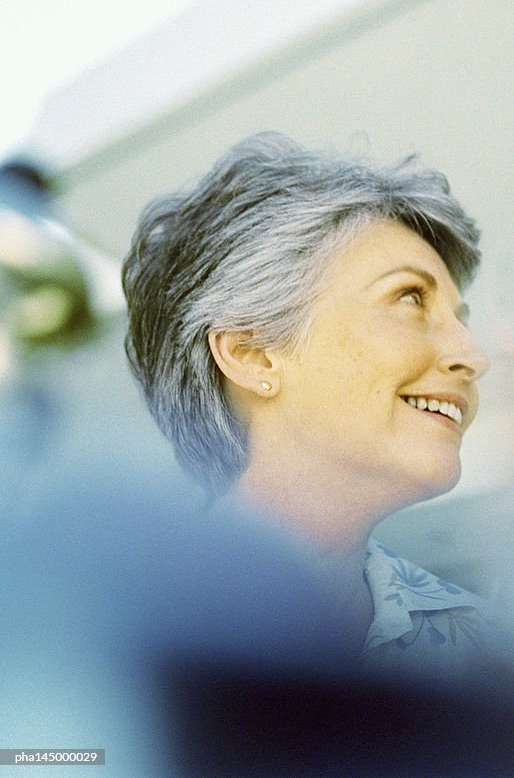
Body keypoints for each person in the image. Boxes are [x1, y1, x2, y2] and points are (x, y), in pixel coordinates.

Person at [121, 131, 492, 672]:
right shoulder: (79, 629)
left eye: (461, 321)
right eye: (410, 298)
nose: (472, 355)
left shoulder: (486, 653)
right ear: (254, 354)